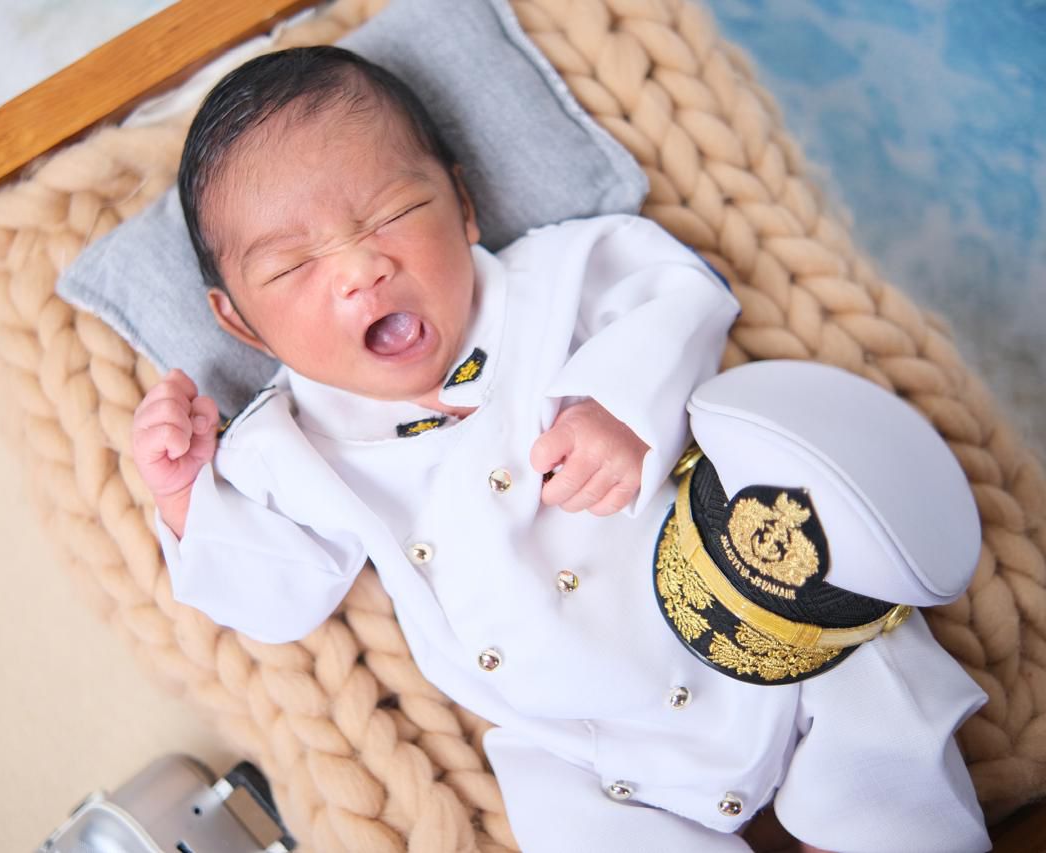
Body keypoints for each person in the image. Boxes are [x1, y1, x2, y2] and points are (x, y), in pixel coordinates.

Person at [132, 46, 990, 852]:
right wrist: (183, 496)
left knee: (875, 676)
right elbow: (277, 600)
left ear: (463, 205)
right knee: (563, 819)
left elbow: (678, 297)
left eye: (393, 215)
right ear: (241, 322)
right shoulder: (283, 446)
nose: (360, 270)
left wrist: (623, 410)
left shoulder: (560, 279)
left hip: (757, 604)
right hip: (581, 743)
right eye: (292, 267)